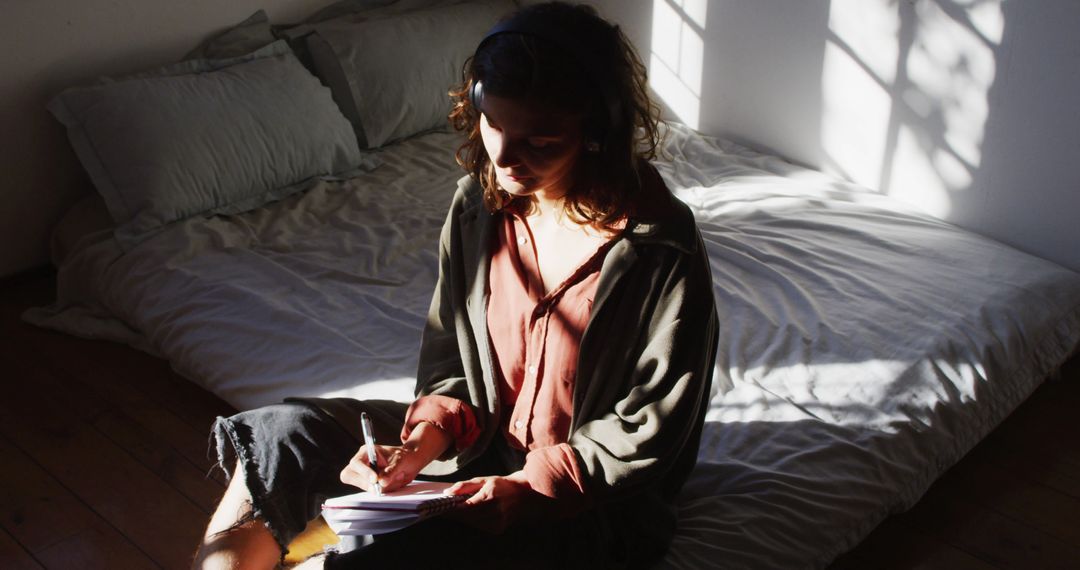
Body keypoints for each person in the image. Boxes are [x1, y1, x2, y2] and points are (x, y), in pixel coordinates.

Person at [192, 2, 718, 568]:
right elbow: (454, 360)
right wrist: (418, 448)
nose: (505, 159)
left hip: (586, 501)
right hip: (480, 448)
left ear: (595, 132)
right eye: (493, 124)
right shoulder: (479, 207)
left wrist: (528, 488)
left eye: (540, 143)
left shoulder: (660, 248)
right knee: (282, 436)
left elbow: (651, 426)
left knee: (391, 555)